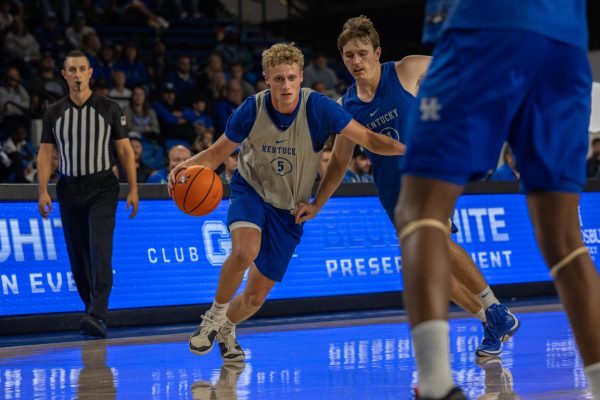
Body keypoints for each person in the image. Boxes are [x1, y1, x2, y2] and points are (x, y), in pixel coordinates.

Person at [394, 1, 600, 399]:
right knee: (565, 242)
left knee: (420, 212)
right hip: (565, 43)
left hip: (485, 24)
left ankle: (436, 385)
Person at [294, 15, 519, 360]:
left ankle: (495, 309)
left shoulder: (406, 70)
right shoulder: (347, 106)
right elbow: (339, 163)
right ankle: (489, 319)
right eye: (349, 55)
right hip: (392, 193)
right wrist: (318, 203)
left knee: (437, 241)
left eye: (362, 53)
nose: (356, 61)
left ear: (377, 52)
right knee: (426, 267)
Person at [167, 42, 404, 363]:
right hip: (250, 190)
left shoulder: (320, 109)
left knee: (253, 298)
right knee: (244, 251)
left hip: (289, 208)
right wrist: (185, 167)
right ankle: (213, 317)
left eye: (291, 77)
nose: (286, 85)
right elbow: (216, 154)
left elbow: (370, 141)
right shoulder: (251, 109)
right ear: (267, 79)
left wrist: (411, 149)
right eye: (278, 78)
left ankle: (227, 327)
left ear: (301, 77)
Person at [37, 50, 139, 338]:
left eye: (83, 69)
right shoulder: (54, 112)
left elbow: (124, 150)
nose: (78, 74)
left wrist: (133, 188)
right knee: (77, 255)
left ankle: (98, 312)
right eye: (72, 69)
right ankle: (91, 309)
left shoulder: (109, 108)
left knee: (99, 249)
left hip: (103, 186)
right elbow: (46, 152)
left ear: (90, 73)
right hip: (68, 188)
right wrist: (42, 190)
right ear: (64, 74)